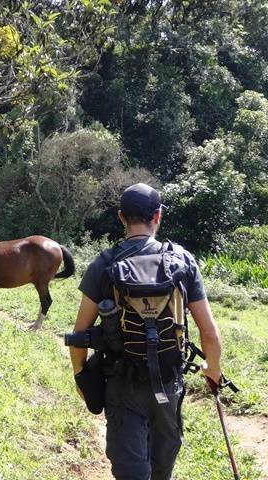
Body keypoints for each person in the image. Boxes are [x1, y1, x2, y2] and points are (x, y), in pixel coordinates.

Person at [69, 183, 222, 480]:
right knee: (161, 470)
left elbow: (80, 333)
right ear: (158, 216)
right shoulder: (182, 261)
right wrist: (212, 369)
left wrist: (80, 375)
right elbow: (210, 333)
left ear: (121, 217)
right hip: (169, 382)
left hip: (122, 386)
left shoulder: (103, 264)